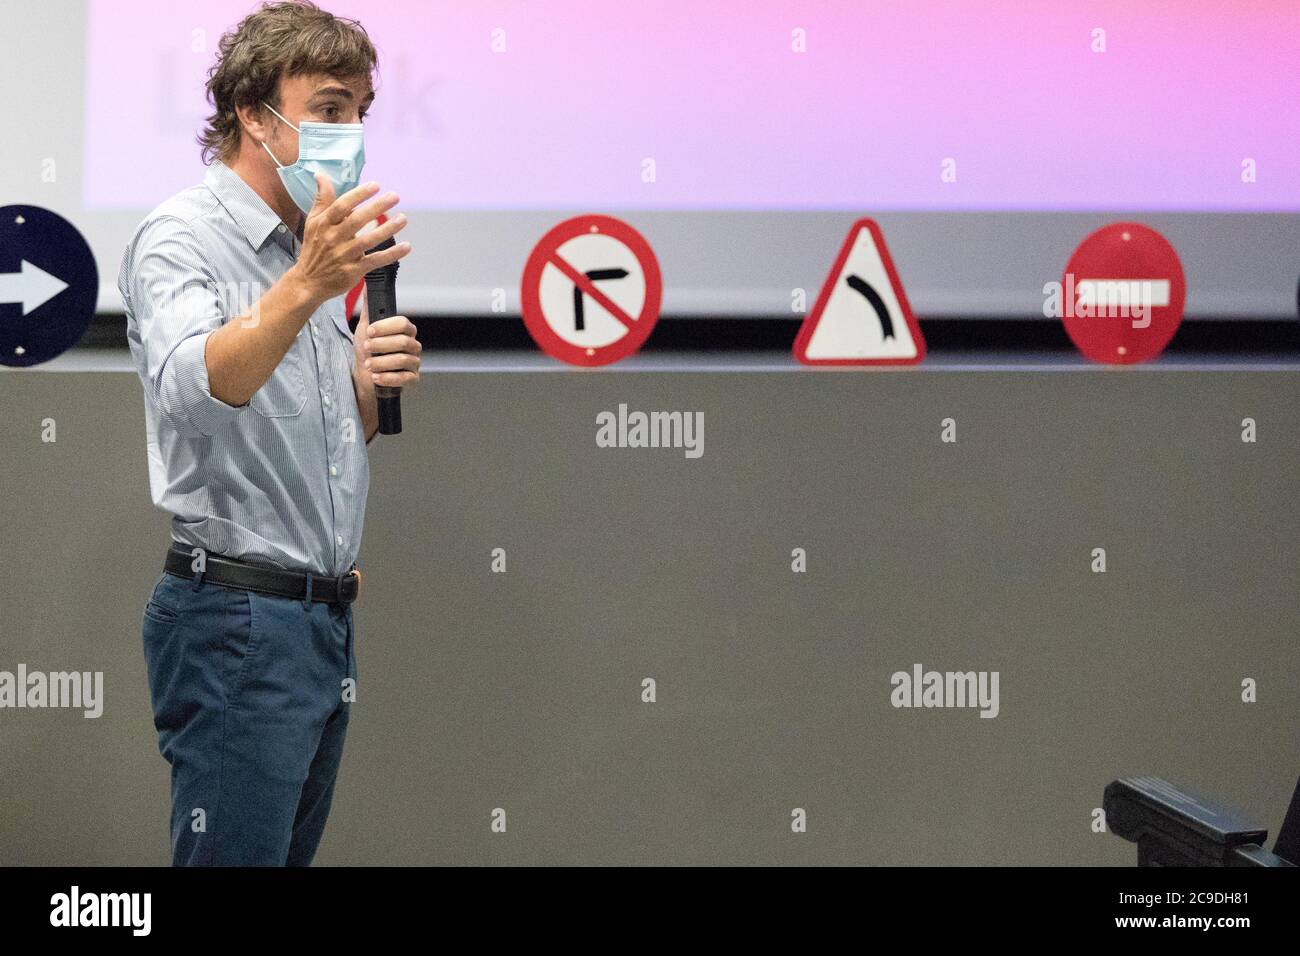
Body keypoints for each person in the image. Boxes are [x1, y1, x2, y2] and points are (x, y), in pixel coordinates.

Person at [118, 0, 419, 865]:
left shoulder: (305, 250)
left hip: (321, 624)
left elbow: (289, 440)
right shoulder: (183, 236)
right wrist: (309, 288)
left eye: (361, 111)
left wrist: (362, 390)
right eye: (329, 108)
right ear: (254, 112)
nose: (351, 132)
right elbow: (194, 392)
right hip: (236, 620)